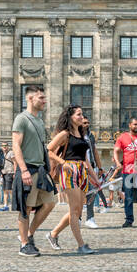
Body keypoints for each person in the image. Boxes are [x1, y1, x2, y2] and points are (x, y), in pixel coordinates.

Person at [45, 105, 97, 254]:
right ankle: (81, 245)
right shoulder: (64, 134)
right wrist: (63, 163)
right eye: (79, 114)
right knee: (75, 210)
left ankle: (53, 234)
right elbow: (48, 150)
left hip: (82, 172)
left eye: (82, 114)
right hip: (69, 172)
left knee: (78, 210)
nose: (82, 117)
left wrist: (94, 178)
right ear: (71, 117)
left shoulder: (82, 134)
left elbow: (86, 160)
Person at [12, 86, 56, 257]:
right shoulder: (21, 119)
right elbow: (16, 145)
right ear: (30, 99)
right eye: (41, 98)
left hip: (40, 170)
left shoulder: (39, 121)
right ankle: (24, 245)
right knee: (26, 208)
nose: (44, 101)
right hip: (28, 169)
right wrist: (23, 170)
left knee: (50, 202)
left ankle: (28, 234)